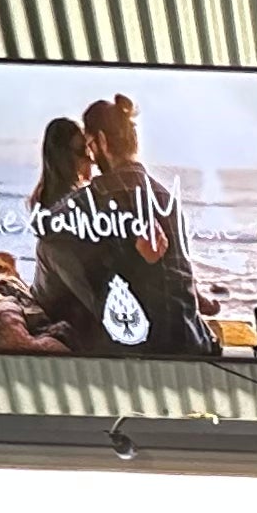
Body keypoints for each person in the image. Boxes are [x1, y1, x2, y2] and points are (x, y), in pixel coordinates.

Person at [32, 91, 210, 355]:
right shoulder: (166, 199)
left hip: (136, 349)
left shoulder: (88, 202)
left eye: (89, 146)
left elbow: (46, 234)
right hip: (192, 341)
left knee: (50, 247)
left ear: (101, 141)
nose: (90, 157)